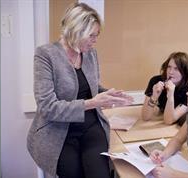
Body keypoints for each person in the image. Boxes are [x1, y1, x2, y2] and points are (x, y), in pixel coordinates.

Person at [27, 3, 134, 177]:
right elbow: (47, 107)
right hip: (58, 132)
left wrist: (109, 95)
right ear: (76, 31)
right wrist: (93, 102)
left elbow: (91, 88)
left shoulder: (91, 54)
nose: (95, 40)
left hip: (91, 126)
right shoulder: (45, 55)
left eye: (97, 35)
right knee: (73, 173)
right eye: (92, 35)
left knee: (99, 173)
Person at [141, 52, 188, 125]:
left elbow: (168, 121)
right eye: (169, 67)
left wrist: (170, 96)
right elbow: (145, 117)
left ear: (185, 72)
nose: (171, 72)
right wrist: (154, 97)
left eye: (176, 69)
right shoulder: (155, 81)